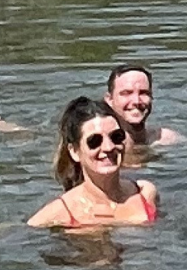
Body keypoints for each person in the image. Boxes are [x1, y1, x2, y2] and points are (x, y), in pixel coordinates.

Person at [27, 96, 160, 228]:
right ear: (74, 151)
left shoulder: (145, 193)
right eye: (94, 141)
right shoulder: (57, 214)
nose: (108, 147)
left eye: (116, 137)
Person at [104, 63, 181, 155]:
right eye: (126, 93)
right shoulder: (101, 145)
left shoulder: (166, 139)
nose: (136, 101)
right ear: (109, 100)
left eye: (143, 93)